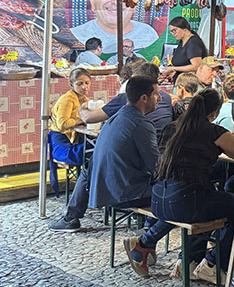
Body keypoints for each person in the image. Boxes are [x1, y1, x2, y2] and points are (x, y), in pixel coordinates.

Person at [122, 88, 234, 280]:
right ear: (215, 113)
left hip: (158, 199)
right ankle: (214, 263)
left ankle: (149, 244)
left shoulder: (172, 127)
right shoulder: (213, 131)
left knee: (189, 199)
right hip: (186, 202)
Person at [49, 77, 161, 232]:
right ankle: (148, 236)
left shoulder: (116, 117)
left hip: (104, 187)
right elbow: (156, 166)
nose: (160, 99)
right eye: (156, 94)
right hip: (126, 194)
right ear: (144, 98)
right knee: (176, 192)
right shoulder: (141, 123)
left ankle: (70, 217)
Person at [78, 61, 174, 139]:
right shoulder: (167, 97)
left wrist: (82, 107)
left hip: (140, 147)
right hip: (164, 147)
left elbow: (88, 118)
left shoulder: (129, 97)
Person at [70, 0, 158, 54]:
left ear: (135, 3)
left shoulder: (149, 34)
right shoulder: (77, 34)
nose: (116, 2)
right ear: (92, 0)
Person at [47, 68, 91, 193]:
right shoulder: (68, 99)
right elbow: (62, 124)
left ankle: (88, 189)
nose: (84, 87)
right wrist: (80, 120)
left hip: (73, 140)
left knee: (96, 150)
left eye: (87, 83)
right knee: (91, 153)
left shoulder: (85, 100)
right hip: (61, 142)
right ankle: (86, 190)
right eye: (80, 84)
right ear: (71, 85)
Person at [161, 17, 208, 82]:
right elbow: (182, 64)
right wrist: (174, 72)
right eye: (171, 31)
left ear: (185, 29)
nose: (173, 33)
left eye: (174, 30)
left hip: (190, 83)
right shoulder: (182, 41)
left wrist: (173, 68)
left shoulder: (193, 42)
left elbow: (196, 66)